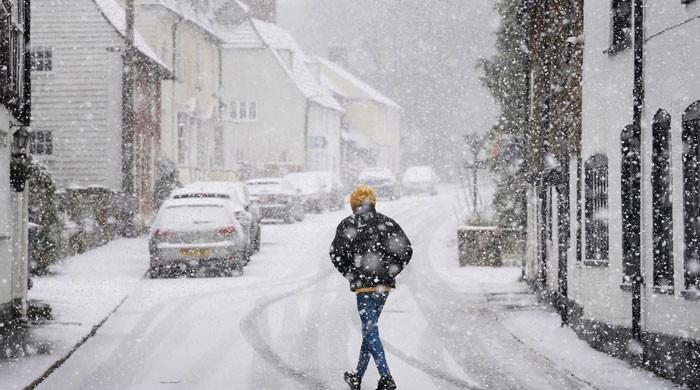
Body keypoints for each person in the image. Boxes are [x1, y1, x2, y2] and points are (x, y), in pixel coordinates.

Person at [329, 185, 413, 390]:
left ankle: (386, 377)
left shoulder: (348, 225)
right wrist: (391, 271)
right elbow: (406, 249)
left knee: (370, 330)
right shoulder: (387, 223)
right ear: (373, 202)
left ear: (353, 204)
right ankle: (357, 376)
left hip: (364, 287)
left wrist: (352, 273)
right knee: (370, 330)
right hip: (383, 287)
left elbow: (336, 254)